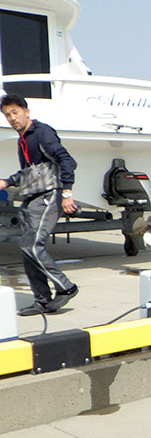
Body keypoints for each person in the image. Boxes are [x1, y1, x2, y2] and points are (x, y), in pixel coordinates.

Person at [0, 93, 79, 316]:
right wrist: (7, 182)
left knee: (32, 245)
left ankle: (66, 287)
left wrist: (67, 193)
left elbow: (67, 161)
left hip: (49, 195)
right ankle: (42, 300)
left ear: (26, 112)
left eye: (15, 112)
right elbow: (29, 171)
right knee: (26, 248)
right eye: (7, 115)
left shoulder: (42, 132)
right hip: (31, 197)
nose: (12, 118)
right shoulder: (23, 139)